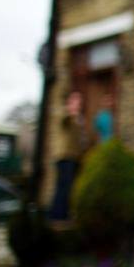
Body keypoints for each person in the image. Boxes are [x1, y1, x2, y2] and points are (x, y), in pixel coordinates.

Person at [49, 90, 84, 220]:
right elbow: (63, 120)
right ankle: (58, 216)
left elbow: (79, 139)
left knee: (68, 187)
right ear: (70, 101)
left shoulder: (79, 119)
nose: (78, 103)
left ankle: (62, 214)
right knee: (63, 187)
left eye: (79, 100)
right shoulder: (64, 114)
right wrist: (70, 111)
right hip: (64, 156)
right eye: (75, 100)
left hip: (74, 157)